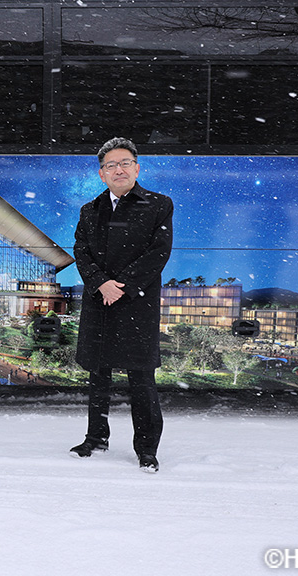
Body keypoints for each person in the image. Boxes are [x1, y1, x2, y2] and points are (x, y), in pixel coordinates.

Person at [69, 137, 173, 473]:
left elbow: (158, 253)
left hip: (136, 305)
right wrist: (101, 283)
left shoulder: (159, 205)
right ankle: (96, 437)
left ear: (137, 168)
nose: (119, 169)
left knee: (141, 379)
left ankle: (146, 449)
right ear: (101, 174)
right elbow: (81, 252)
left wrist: (122, 287)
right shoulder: (90, 210)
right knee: (98, 376)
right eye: (111, 165)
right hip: (99, 302)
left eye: (125, 163)